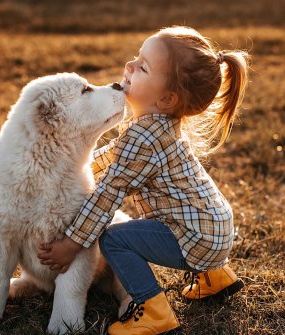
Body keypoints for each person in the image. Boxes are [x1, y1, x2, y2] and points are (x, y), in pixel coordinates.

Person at [38, 26, 249, 335]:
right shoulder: (157, 125)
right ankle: (216, 277)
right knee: (182, 215)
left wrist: (73, 243)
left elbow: (107, 195)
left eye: (143, 67)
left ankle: (153, 310)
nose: (130, 66)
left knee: (113, 238)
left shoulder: (144, 138)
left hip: (199, 240)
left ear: (166, 98)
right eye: (136, 58)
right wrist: (71, 170)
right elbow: (113, 156)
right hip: (217, 229)